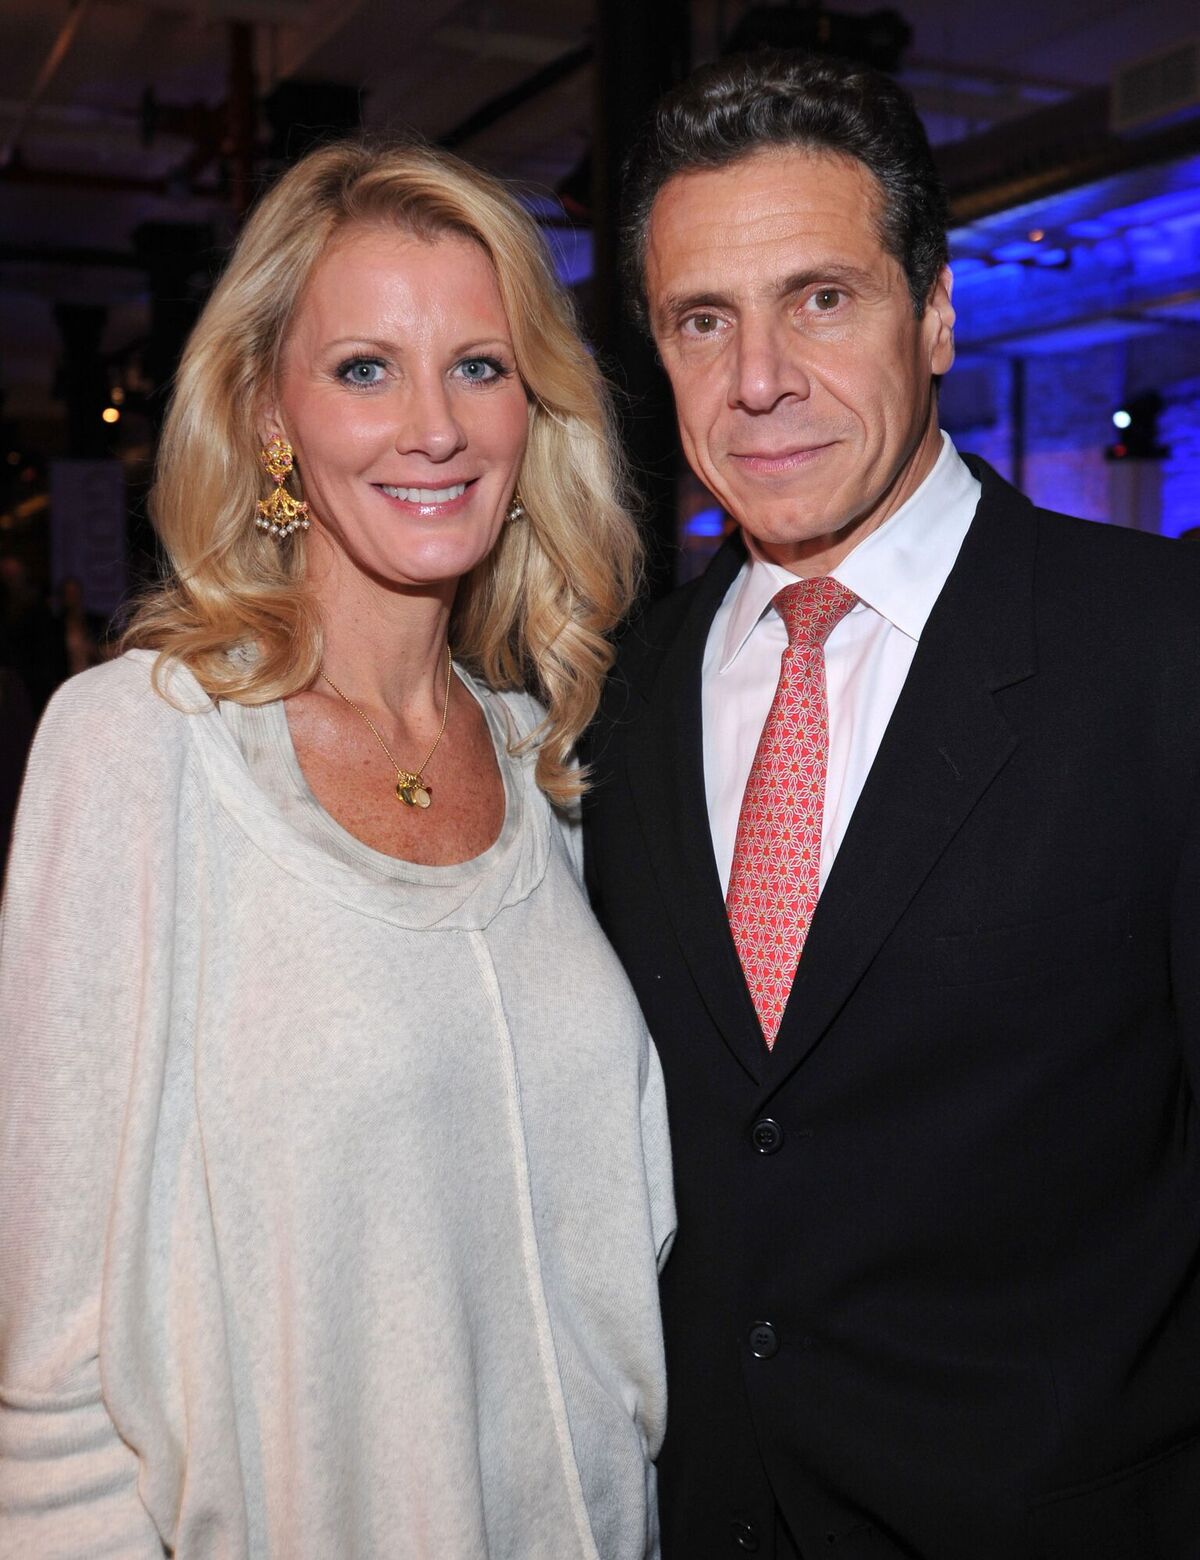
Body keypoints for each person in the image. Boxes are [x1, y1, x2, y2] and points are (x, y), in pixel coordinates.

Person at [0, 139, 675, 1559]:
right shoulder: (140, 748)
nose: (433, 427)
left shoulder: (537, 763)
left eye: (480, 366)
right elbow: (50, 1373)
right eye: (366, 368)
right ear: (268, 414)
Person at [583, 50, 1200, 1560]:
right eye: (702, 320)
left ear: (934, 312)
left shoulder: (1159, 647)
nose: (759, 380)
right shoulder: (613, 689)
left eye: (821, 299)